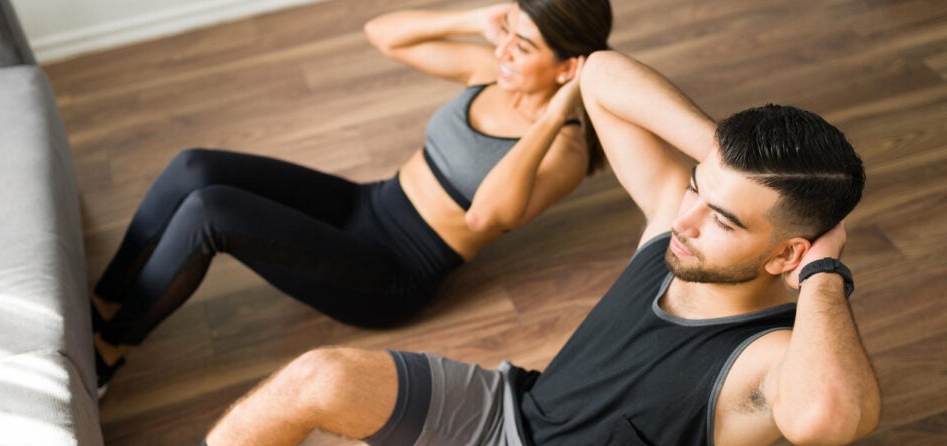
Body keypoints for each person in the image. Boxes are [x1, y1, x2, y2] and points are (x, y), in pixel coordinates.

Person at [109, 47, 881, 446]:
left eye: (723, 219)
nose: (687, 218)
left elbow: (828, 418)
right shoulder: (670, 230)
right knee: (320, 374)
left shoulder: (767, 358)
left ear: (787, 254)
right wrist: (725, 165)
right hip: (507, 410)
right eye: (697, 190)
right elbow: (600, 72)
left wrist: (824, 272)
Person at [89, 0, 614, 395]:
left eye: (523, 47)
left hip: (393, 271)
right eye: (508, 34)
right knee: (195, 167)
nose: (503, 51)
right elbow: (382, 35)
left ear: (567, 68)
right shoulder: (491, 72)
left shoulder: (562, 150)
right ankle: (108, 295)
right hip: (368, 203)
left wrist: (554, 114)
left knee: (212, 213)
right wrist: (475, 17)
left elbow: (486, 215)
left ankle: (111, 348)